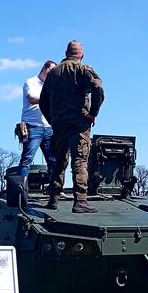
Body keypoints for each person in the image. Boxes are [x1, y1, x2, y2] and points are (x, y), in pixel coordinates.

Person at [39, 40, 104, 213]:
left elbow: (43, 101)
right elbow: (97, 87)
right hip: (78, 122)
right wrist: (93, 114)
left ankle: (53, 198)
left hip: (59, 123)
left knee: (59, 160)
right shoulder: (83, 69)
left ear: (66, 53)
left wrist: (53, 119)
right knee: (80, 160)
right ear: (81, 54)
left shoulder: (53, 73)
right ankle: (80, 201)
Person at [18, 60, 57, 178]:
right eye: (52, 71)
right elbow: (31, 98)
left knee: (54, 161)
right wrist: (50, 99)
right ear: (45, 68)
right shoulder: (31, 82)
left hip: (49, 127)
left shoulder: (52, 86)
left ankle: (55, 190)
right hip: (33, 127)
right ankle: (21, 191)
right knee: (27, 160)